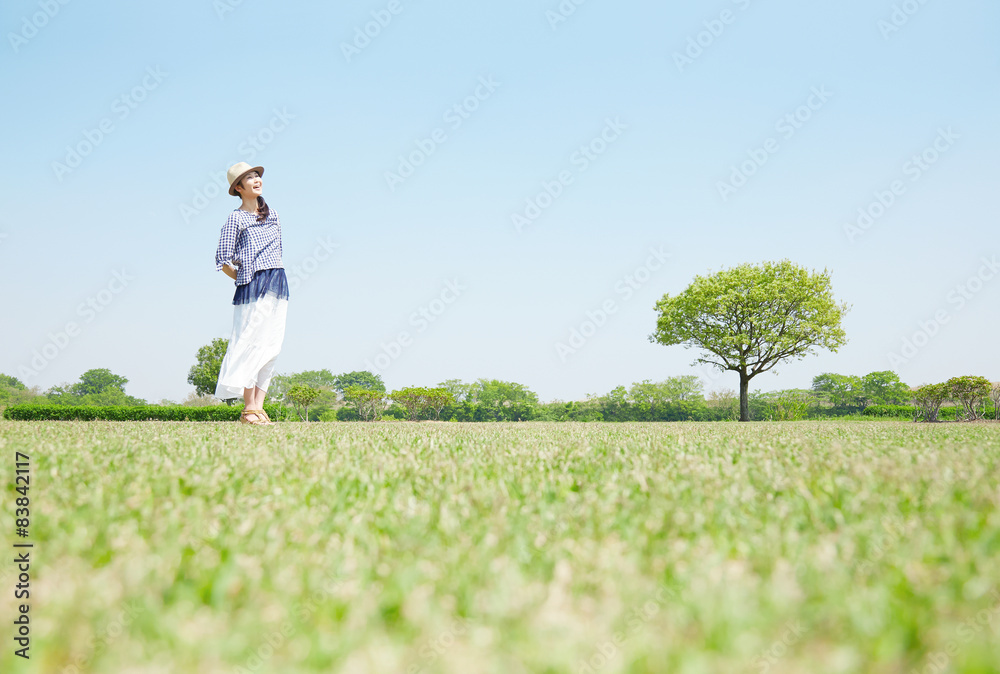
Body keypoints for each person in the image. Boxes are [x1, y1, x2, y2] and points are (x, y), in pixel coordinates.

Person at [213, 162, 289, 425]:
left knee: (271, 346)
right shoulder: (235, 218)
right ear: (238, 187)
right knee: (250, 343)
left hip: (278, 282)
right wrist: (244, 279)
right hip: (252, 286)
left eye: (257, 175)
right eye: (249, 177)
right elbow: (222, 260)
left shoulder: (274, 215)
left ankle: (259, 407)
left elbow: (277, 252)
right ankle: (248, 409)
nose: (256, 180)